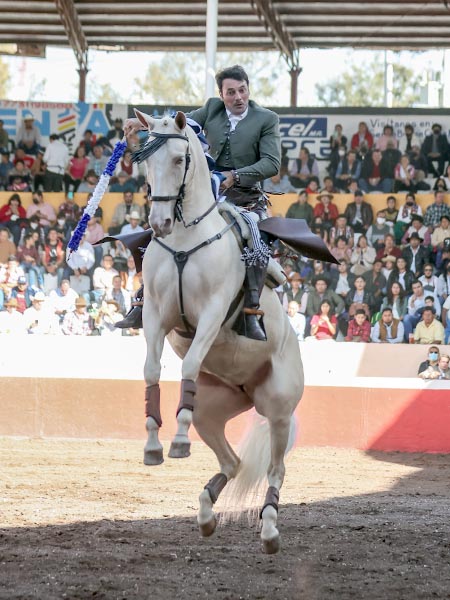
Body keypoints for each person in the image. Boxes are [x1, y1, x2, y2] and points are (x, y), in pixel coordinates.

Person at [117, 64, 282, 340]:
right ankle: (143, 298)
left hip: (246, 199)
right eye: (231, 92)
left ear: (248, 89)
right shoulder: (212, 109)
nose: (238, 97)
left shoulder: (267, 119)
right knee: (163, 227)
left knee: (255, 234)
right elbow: (176, 123)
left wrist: (236, 175)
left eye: (242, 90)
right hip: (207, 197)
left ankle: (251, 310)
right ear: (222, 94)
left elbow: (272, 163)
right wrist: (144, 123)